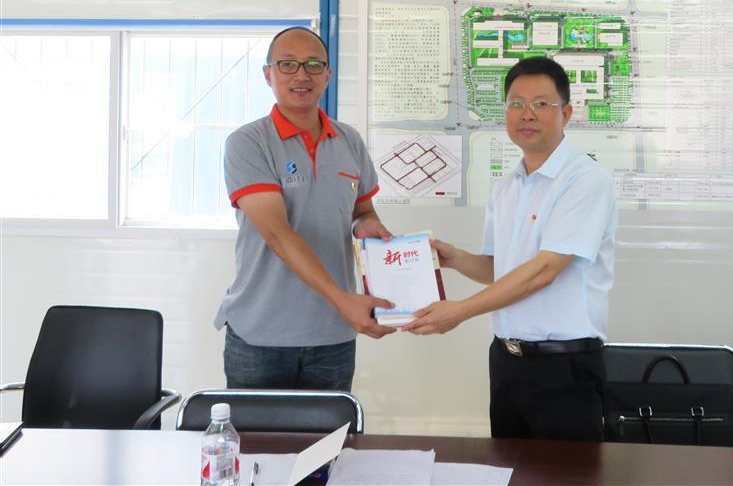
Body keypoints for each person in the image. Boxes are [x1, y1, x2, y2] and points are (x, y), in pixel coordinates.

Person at [405, 56, 616, 441]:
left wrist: (460, 311)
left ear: (566, 113)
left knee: (566, 472)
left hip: (564, 367)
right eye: (516, 103)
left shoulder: (585, 180)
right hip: (506, 361)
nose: (527, 113)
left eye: (541, 103)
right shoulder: (507, 187)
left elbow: (545, 271)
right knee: (508, 467)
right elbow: (499, 269)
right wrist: (455, 258)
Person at [216, 26, 395, 391]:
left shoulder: (349, 140)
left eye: (314, 65)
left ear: (327, 74)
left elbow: (363, 212)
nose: (301, 75)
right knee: (255, 431)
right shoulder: (248, 142)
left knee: (331, 429)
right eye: (288, 64)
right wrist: (343, 301)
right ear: (268, 74)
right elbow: (277, 234)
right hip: (261, 332)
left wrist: (367, 227)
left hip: (333, 335)